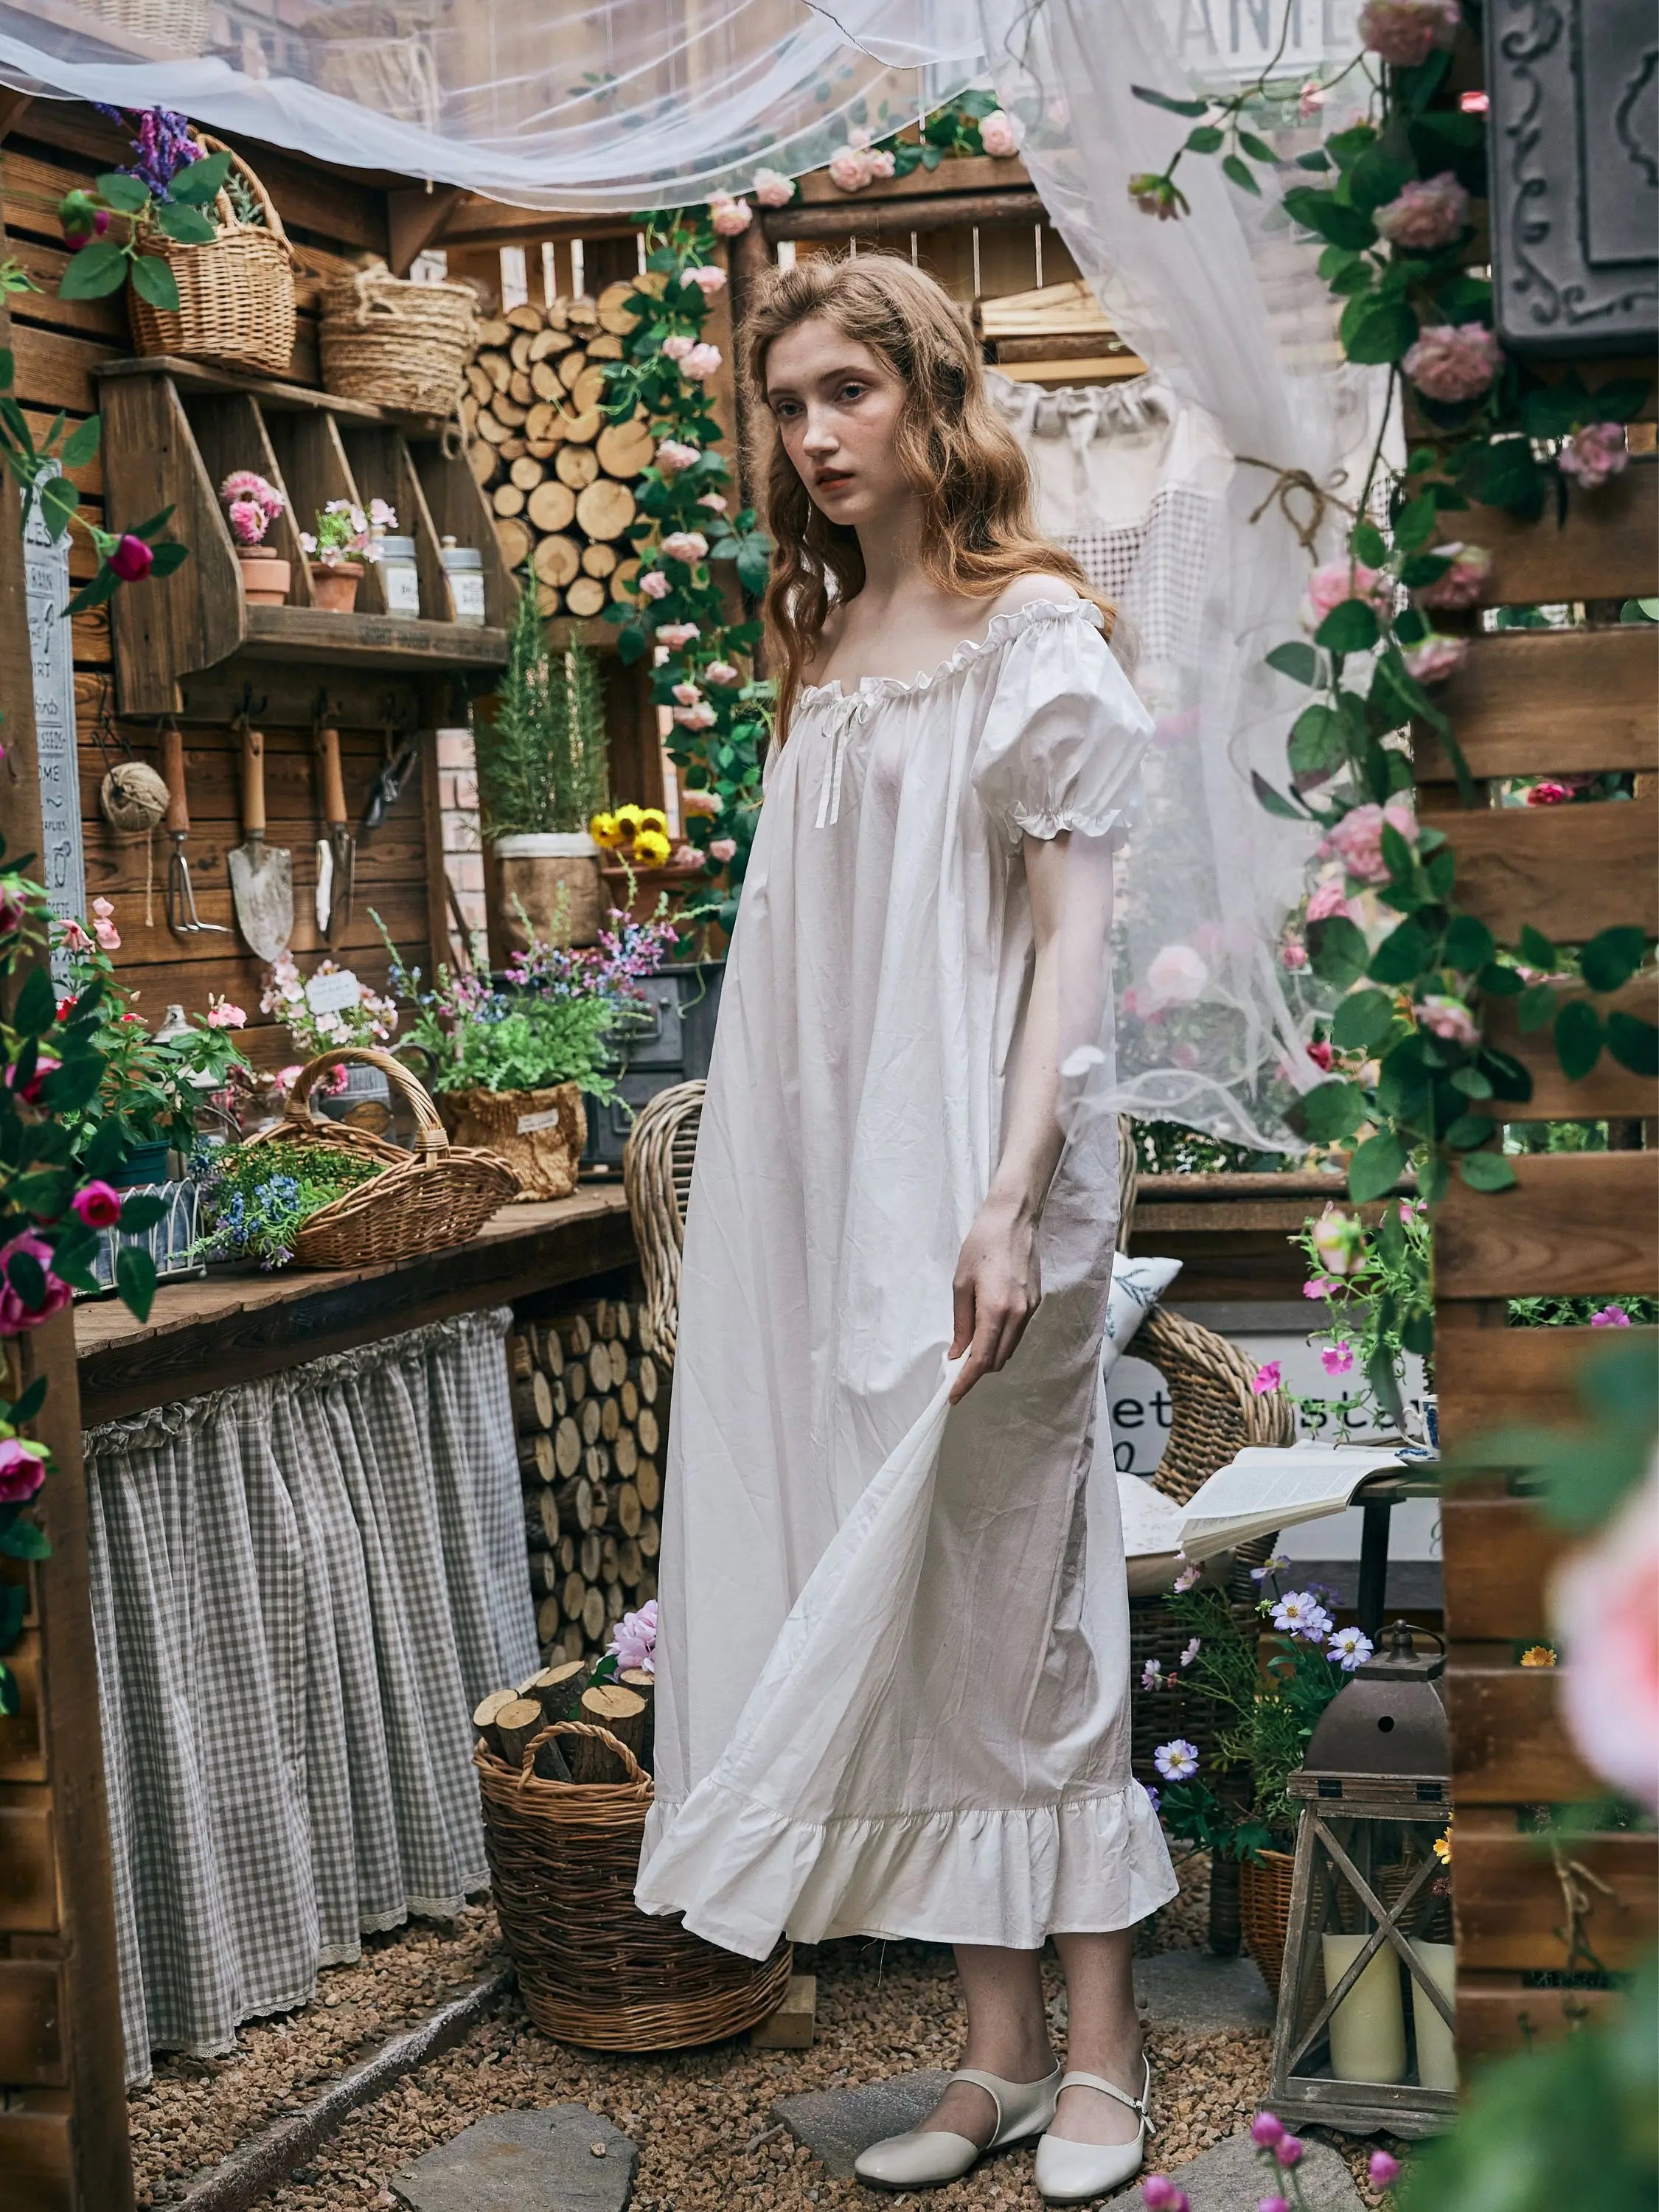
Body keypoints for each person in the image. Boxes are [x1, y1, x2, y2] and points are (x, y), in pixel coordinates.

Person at [634, 252, 1178, 2203]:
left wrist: (1006, 1199)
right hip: (834, 1194)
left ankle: (1103, 2054)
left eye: (846, 392)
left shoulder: (1037, 634)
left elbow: (1069, 952)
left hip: (992, 1183)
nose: (810, 435)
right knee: (911, 1600)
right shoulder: (826, 633)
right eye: (786, 404)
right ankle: (995, 2055)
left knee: (1026, 1601)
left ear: (933, 398)